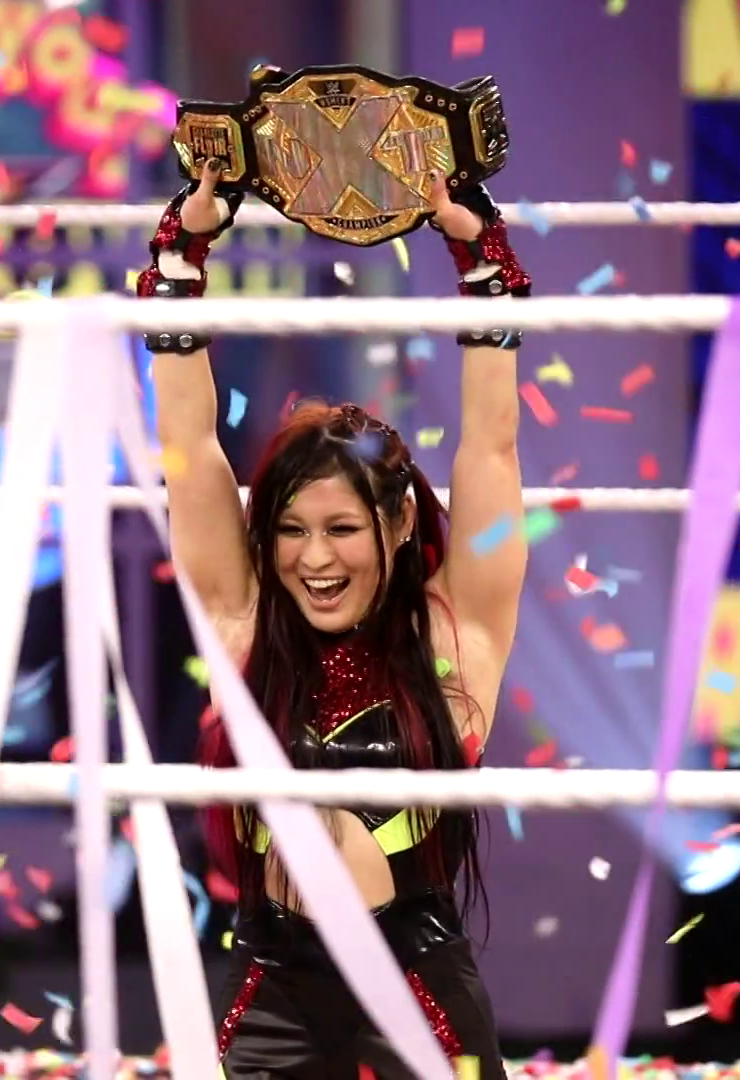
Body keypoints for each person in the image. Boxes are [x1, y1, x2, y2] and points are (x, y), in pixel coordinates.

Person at [140, 160, 531, 1078]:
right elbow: (189, 448)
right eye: (291, 531)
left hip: (419, 990)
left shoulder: (454, 636)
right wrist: (182, 256)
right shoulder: (245, 627)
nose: (314, 561)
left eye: (342, 530)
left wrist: (483, 263)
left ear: (397, 523)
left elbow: (491, 449)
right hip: (271, 988)